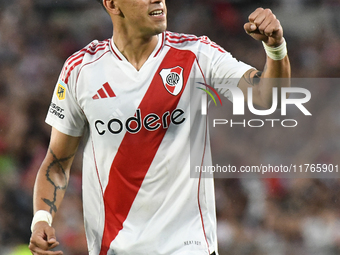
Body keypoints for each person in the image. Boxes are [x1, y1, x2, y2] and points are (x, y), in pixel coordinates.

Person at [29, 0, 290, 254]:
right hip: (114, 248)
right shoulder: (81, 70)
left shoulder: (197, 54)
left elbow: (268, 98)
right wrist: (41, 219)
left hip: (189, 247)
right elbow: (57, 162)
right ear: (112, 4)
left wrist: (275, 49)